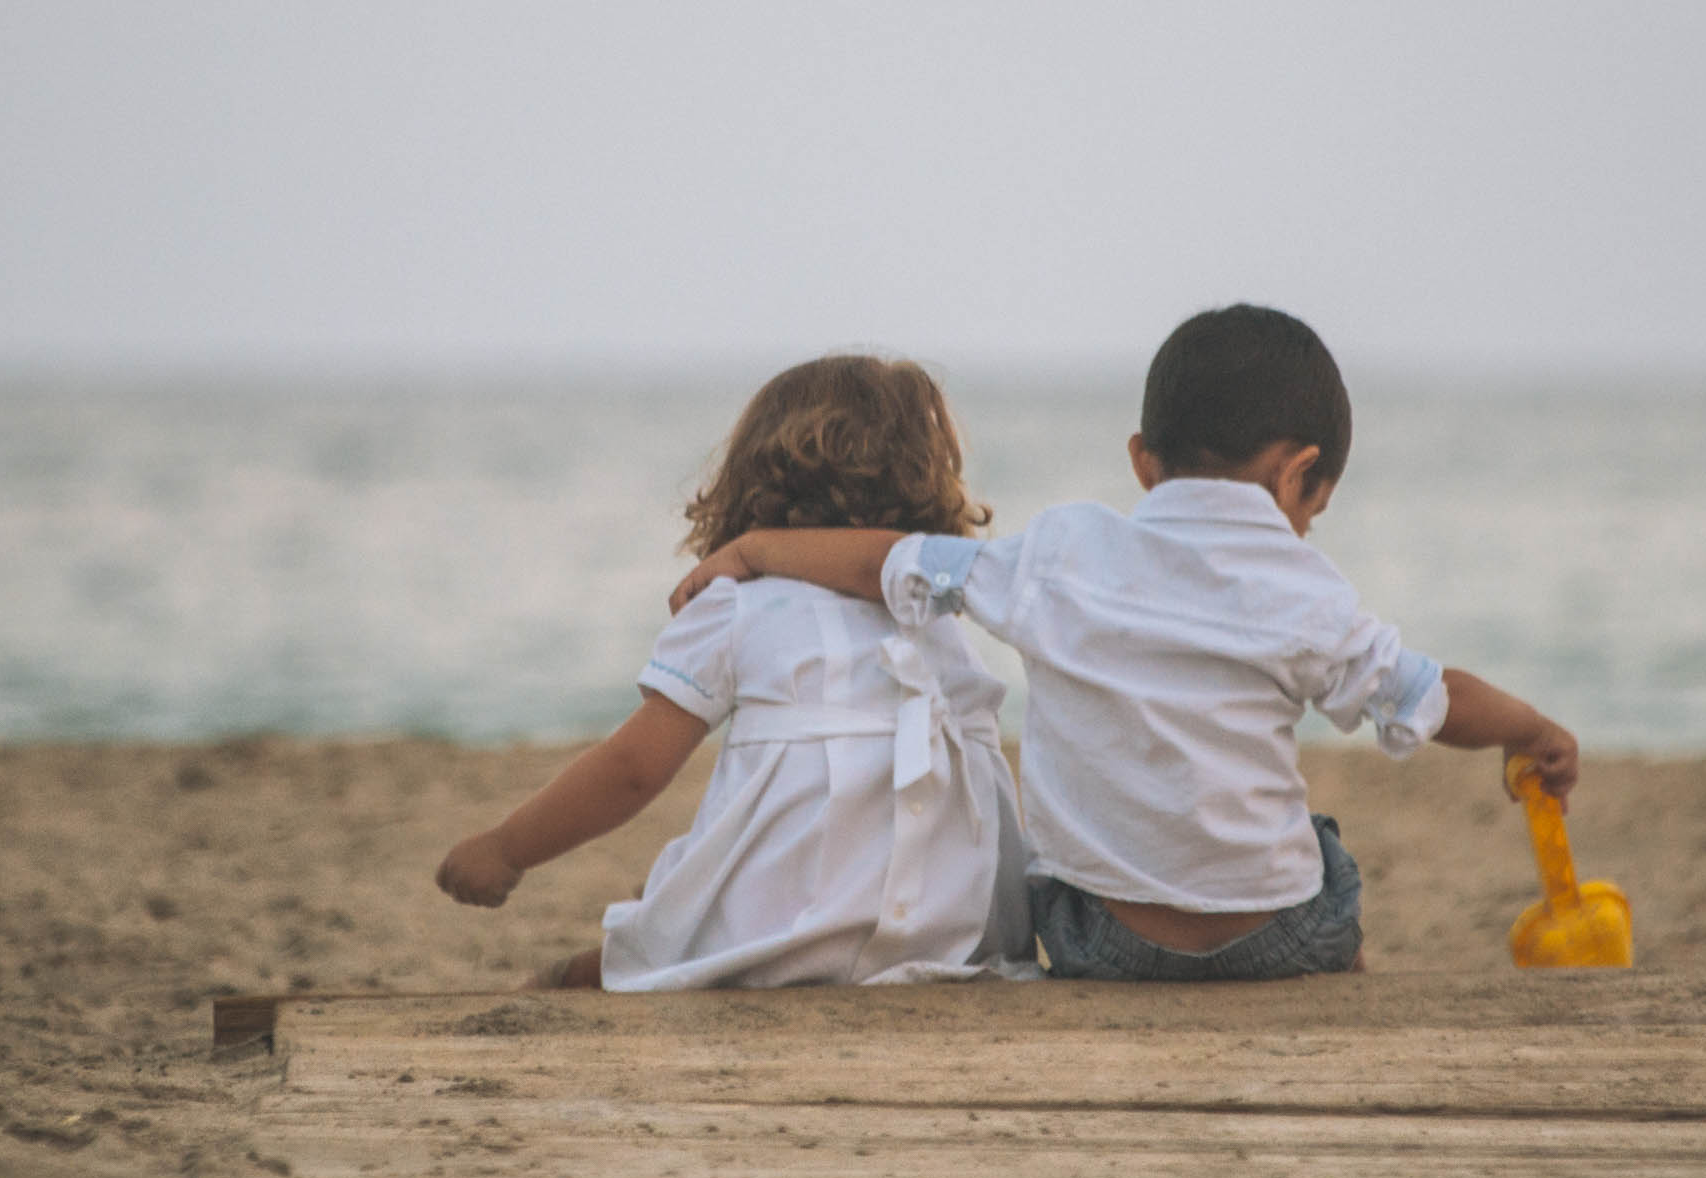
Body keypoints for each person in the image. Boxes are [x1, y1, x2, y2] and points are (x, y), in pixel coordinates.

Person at [669, 304, 1579, 981]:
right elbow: (1430, 696)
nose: (1306, 529)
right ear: (1300, 473)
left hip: (1102, 941)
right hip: (1271, 938)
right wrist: (1530, 730)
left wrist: (753, 550)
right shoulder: (1307, 591)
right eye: (1314, 508)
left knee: (1061, 860)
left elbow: (890, 562)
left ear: (1146, 460)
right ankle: (1341, 978)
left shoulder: (1061, 554)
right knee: (1323, 849)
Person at [437, 355, 1031, 989]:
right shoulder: (938, 622)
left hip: (790, 942)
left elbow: (632, 772)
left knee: (585, 975)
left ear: (753, 479)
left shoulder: (736, 605)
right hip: (952, 937)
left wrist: (507, 849)